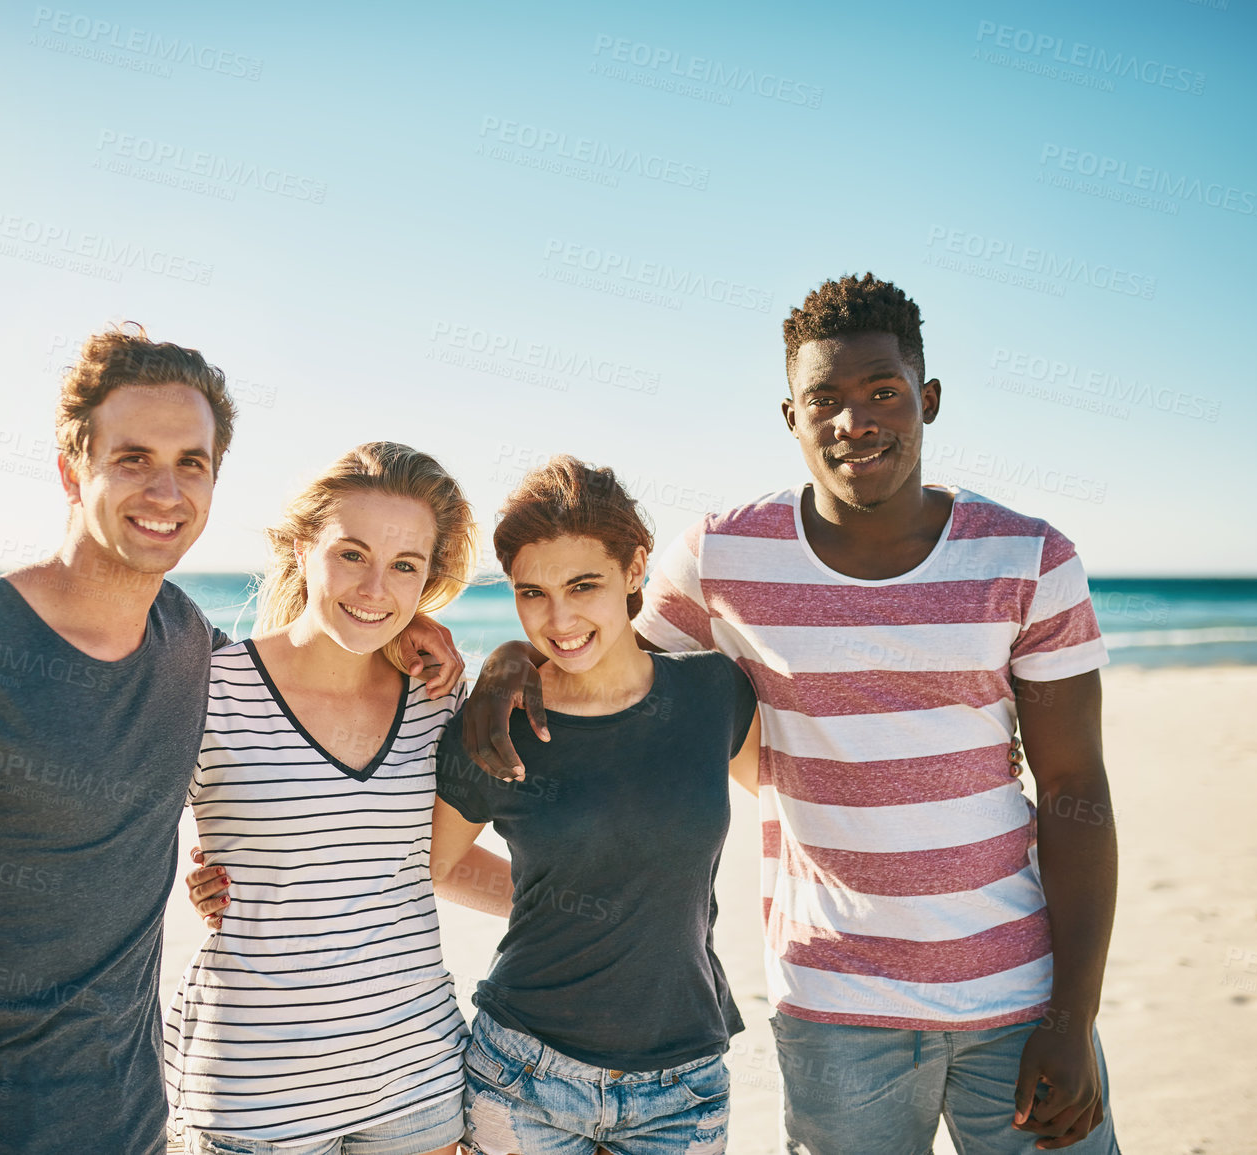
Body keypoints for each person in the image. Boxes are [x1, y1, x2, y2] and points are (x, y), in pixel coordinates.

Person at [462, 275, 1120, 1153]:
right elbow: (602, 651)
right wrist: (511, 659)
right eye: (826, 400)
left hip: (1019, 990)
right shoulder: (724, 554)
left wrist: (1073, 1017)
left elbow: (1077, 787)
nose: (856, 422)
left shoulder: (1029, 556)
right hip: (832, 1005)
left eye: (882, 392)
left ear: (926, 400)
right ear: (790, 415)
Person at [0, 331, 458, 1155]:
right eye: (132, 457)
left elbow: (258, 761)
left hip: (135, 1115)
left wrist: (416, 625)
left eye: (191, 463)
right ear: (72, 469)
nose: (165, 490)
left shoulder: (185, 644)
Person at [163, 442, 496, 1155]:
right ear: (300, 546)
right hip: (254, 1088)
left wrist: (600, 904)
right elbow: (107, 830)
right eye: (352, 553)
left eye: (404, 565)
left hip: (416, 1077)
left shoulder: (438, 698)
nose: (376, 587)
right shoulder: (209, 690)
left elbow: (431, 862)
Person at [429, 456, 760, 1155]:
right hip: (523, 1071)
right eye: (531, 593)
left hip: (684, 1081)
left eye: (584, 585)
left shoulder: (710, 694)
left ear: (635, 568)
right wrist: (558, 898)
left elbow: (803, 798)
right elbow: (441, 864)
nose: (559, 618)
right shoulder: (497, 720)